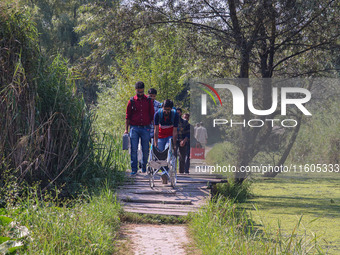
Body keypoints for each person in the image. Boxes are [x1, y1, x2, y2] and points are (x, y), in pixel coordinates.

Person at [125, 81, 154, 176]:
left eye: (142, 92)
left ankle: (144, 167)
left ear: (144, 90)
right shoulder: (131, 101)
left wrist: (154, 129)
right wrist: (126, 129)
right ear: (135, 90)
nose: (140, 94)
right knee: (133, 149)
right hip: (134, 128)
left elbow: (152, 115)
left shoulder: (149, 100)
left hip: (146, 128)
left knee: (145, 149)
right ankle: (134, 169)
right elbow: (127, 116)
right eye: (138, 92)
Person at [154, 99, 179, 183]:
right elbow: (156, 129)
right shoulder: (157, 114)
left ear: (171, 109)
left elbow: (175, 131)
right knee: (160, 154)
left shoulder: (175, 115)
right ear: (162, 107)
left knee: (168, 151)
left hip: (170, 136)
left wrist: (174, 144)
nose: (166, 111)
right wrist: (155, 142)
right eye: (165, 109)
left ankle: (165, 172)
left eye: (168, 110)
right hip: (161, 136)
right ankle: (163, 172)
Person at [176, 108, 190, 174]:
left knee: (182, 157)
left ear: (181, 113)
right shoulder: (172, 121)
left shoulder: (185, 122)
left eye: (179, 113)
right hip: (174, 141)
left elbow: (188, 133)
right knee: (173, 156)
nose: (178, 114)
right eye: (176, 113)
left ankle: (181, 172)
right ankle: (172, 171)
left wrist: (184, 141)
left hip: (183, 141)